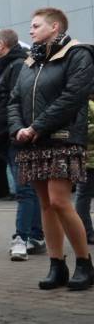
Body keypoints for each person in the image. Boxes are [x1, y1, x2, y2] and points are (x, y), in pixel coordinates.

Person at [7, 7, 94, 290]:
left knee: (59, 201)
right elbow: (14, 100)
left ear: (54, 26)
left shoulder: (78, 53)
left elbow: (73, 97)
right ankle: (57, 265)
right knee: (45, 203)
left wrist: (37, 126)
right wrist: (17, 128)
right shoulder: (30, 61)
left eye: (35, 26)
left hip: (63, 138)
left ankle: (85, 263)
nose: (30, 31)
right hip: (33, 141)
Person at [0, 28, 45, 261]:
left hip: (16, 139)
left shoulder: (15, 66)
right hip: (13, 138)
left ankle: (21, 238)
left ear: (2, 44)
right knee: (29, 190)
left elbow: (18, 103)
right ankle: (36, 236)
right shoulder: (13, 66)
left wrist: (14, 133)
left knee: (25, 191)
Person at [76, 99, 94, 245]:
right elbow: (84, 130)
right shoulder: (86, 104)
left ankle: (86, 232)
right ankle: (86, 233)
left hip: (88, 159)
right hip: (88, 160)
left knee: (83, 197)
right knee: (83, 197)